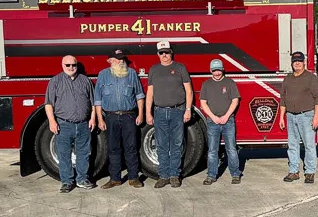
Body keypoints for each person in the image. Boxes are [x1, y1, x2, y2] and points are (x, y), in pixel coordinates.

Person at [44, 55, 97, 193]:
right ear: (62, 65)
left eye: (73, 65)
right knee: (64, 154)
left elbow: (93, 103)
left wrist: (92, 119)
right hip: (64, 124)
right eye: (67, 65)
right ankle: (67, 182)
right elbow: (49, 104)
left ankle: (82, 179)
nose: (71, 67)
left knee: (84, 154)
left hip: (83, 124)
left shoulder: (85, 81)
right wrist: (52, 121)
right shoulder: (55, 82)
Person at [94, 50, 145, 189]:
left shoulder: (132, 74)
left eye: (122, 58)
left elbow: (139, 95)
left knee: (131, 147)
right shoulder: (103, 75)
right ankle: (115, 179)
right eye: (117, 59)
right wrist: (100, 119)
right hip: (110, 117)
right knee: (113, 149)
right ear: (110, 61)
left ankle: (133, 177)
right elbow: (97, 99)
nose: (121, 61)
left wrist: (140, 114)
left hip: (129, 116)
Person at [146, 41, 193, 188]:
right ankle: (163, 175)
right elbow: (150, 93)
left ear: (171, 52)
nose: (164, 55)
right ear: (157, 54)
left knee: (177, 144)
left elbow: (189, 91)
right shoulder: (153, 69)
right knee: (161, 145)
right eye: (161, 52)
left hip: (177, 111)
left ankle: (174, 175)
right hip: (159, 111)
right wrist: (148, 113)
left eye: (167, 52)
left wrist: (188, 109)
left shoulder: (180, 68)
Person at [279, 51, 318, 183]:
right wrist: (281, 117)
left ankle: (310, 172)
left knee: (309, 145)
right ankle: (294, 171)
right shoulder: (288, 79)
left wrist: (316, 116)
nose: (297, 63)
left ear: (304, 62)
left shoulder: (311, 77)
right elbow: (283, 100)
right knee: (292, 145)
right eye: (294, 61)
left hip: (306, 115)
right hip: (291, 116)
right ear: (292, 63)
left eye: (299, 61)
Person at [199, 59, 242, 185]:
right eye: (214, 70)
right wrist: (213, 117)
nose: (217, 73)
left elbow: (235, 100)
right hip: (213, 122)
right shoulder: (206, 84)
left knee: (231, 149)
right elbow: (203, 103)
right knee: (212, 150)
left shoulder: (230, 82)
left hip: (228, 121)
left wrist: (226, 116)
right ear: (210, 71)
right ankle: (211, 175)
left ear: (222, 69)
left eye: (218, 70)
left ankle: (235, 174)